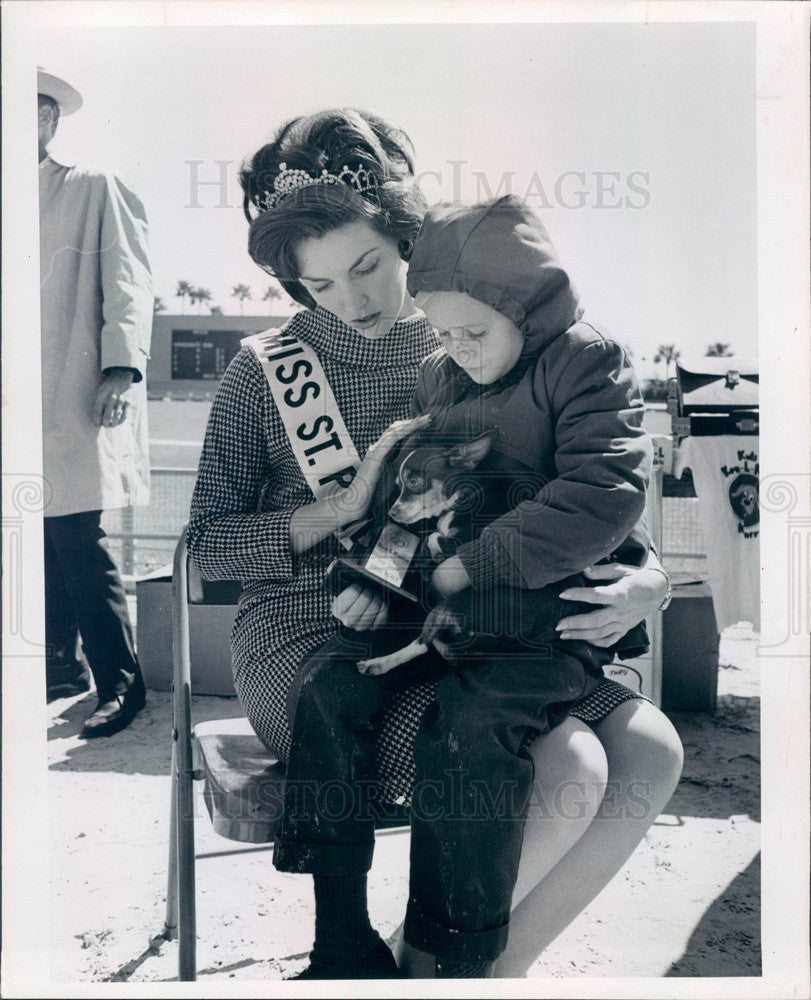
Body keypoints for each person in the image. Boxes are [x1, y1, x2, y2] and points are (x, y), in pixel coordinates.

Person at [186, 107, 683, 979]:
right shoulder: (265, 370)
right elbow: (207, 548)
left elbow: (587, 481)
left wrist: (650, 587)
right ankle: (431, 970)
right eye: (319, 286)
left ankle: (470, 974)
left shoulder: (474, 331)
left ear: (407, 237)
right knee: (563, 763)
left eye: (370, 267)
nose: (355, 299)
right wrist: (337, 510)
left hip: (479, 612)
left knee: (649, 750)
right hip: (314, 634)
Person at [272, 194, 653, 978]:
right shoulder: (438, 376)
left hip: (534, 624)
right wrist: (378, 578)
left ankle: (450, 955)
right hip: (436, 611)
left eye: (473, 333)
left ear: (528, 305)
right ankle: (339, 932)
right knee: (327, 685)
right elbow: (412, 498)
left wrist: (463, 571)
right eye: (441, 333)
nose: (457, 351)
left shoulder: (587, 362)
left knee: (470, 735)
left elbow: (603, 493)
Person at [38, 67, 152, 737]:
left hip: (75, 383)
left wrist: (120, 369)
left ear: (52, 121)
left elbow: (129, 281)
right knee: (33, 534)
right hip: (14, 395)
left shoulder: (90, 186)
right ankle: (59, 668)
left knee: (79, 535)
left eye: (37, 111)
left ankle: (120, 682)